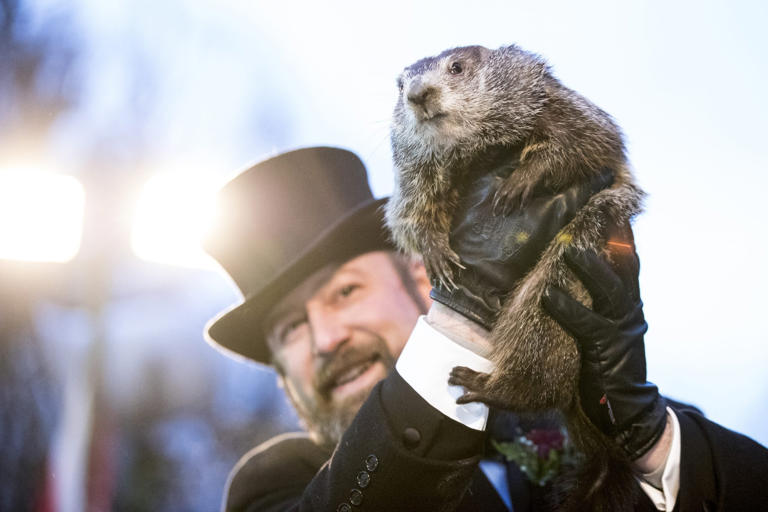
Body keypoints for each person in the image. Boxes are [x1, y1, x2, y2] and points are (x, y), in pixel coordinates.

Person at [202, 147, 768, 511]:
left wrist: (647, 441)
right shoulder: (272, 484)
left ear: (423, 281)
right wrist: (466, 319)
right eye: (291, 330)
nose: (326, 339)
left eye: (346, 292)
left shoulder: (567, 428)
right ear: (281, 377)